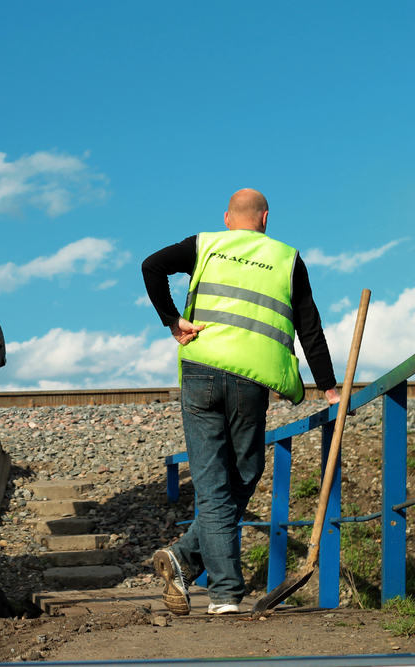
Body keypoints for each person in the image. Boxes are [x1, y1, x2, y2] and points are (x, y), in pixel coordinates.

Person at [141, 188, 340, 615]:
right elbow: (310, 324)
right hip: (251, 381)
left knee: (218, 483)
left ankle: (184, 557)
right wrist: (329, 386)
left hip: (200, 371)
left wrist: (171, 319)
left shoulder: (206, 244)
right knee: (243, 473)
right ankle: (225, 594)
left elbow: (151, 266)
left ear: (228, 218)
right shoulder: (287, 259)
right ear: (265, 218)